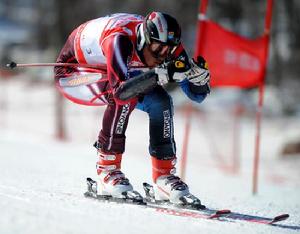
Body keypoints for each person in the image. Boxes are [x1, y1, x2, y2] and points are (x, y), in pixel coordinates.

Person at [54, 12, 210, 205]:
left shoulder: (171, 47)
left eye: (168, 50)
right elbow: (120, 93)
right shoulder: (120, 40)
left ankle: (163, 176)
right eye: (157, 48)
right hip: (74, 73)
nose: (162, 55)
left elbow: (197, 95)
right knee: (124, 96)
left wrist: (200, 80)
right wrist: (160, 75)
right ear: (144, 39)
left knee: (161, 101)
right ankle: (107, 170)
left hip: (113, 69)